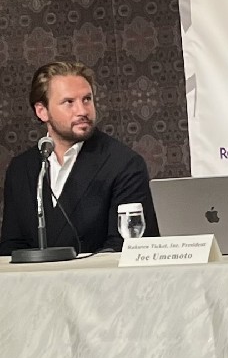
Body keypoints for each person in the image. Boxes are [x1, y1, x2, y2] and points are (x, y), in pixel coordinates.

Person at [0, 61, 159, 255]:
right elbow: (11, 246)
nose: (82, 111)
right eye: (69, 102)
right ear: (42, 111)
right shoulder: (21, 168)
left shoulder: (124, 164)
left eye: (87, 99)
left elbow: (126, 247)